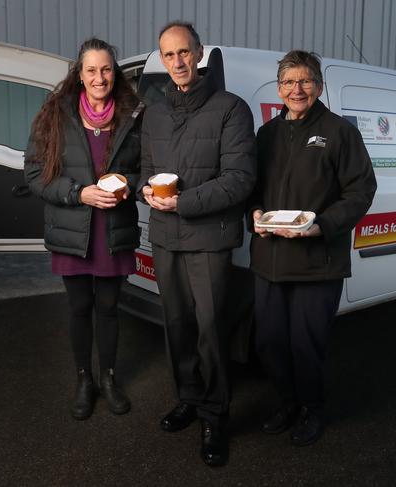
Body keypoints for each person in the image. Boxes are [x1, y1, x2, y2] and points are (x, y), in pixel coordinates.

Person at [138, 22, 256, 467]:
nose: (178, 62)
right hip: (166, 238)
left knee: (210, 330)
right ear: (163, 60)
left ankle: (214, 414)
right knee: (177, 326)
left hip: (209, 239)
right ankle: (188, 397)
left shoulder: (231, 109)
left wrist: (183, 202)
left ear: (200, 53)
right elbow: (147, 168)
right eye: (169, 55)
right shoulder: (155, 112)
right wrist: (145, 193)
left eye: (185, 52)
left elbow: (240, 179)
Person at [248, 50, 377, 446]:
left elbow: (361, 191)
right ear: (279, 88)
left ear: (318, 86)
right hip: (269, 259)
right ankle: (286, 402)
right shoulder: (266, 134)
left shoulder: (339, 132)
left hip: (317, 260)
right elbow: (251, 186)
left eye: (304, 81)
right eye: (288, 82)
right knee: (269, 340)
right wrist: (253, 213)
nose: (296, 89)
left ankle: (312, 408)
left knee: (307, 344)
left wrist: (322, 225)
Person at [24, 38, 144, 421]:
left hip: (113, 230)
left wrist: (129, 184)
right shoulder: (55, 114)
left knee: (109, 308)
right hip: (72, 231)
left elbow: (147, 169)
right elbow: (34, 175)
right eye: (91, 70)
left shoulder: (133, 114)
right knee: (79, 308)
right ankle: (83, 380)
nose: (99, 77)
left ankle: (108, 378)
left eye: (106, 69)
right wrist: (79, 194)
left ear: (115, 73)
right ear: (79, 73)